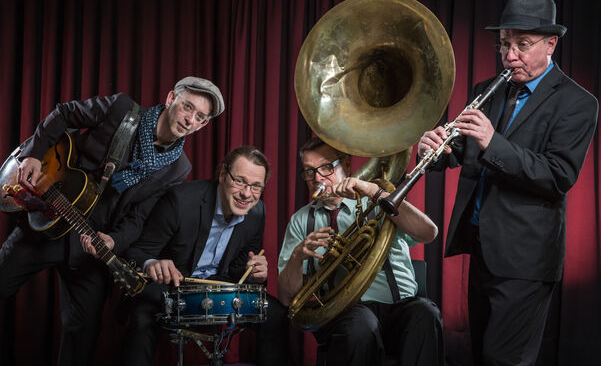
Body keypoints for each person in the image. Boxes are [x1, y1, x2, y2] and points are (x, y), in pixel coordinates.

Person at [417, 0, 598, 366]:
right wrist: (435, 151)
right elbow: (463, 153)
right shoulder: (487, 90)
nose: (510, 56)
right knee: (482, 356)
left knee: (505, 360)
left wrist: (492, 141)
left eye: (522, 45)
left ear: (551, 44)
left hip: (526, 260)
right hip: (482, 248)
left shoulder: (578, 103)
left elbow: (558, 175)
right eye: (504, 45)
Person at [0, 76, 224, 366]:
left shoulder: (178, 168)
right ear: (171, 98)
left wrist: (114, 240)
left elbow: (140, 217)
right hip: (49, 215)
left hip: (90, 248)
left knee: (82, 336)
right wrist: (34, 153)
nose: (190, 120)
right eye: (187, 107)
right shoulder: (121, 108)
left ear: (203, 125)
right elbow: (64, 113)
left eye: (200, 117)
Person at [278, 137, 443, 366]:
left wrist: (375, 191)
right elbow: (286, 298)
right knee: (361, 325)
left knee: (426, 313)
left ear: (346, 165)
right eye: (309, 171)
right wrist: (297, 256)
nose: (317, 178)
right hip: (345, 316)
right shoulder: (300, 220)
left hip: (399, 310)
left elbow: (429, 233)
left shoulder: (379, 200)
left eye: (326, 167)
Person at [121, 145, 288, 366]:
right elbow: (136, 252)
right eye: (239, 181)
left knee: (275, 314)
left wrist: (253, 273)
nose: (247, 194)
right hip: (171, 285)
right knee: (143, 319)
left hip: (218, 287)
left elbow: (237, 271)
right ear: (223, 174)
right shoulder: (180, 201)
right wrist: (153, 264)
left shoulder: (257, 212)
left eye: (256, 186)